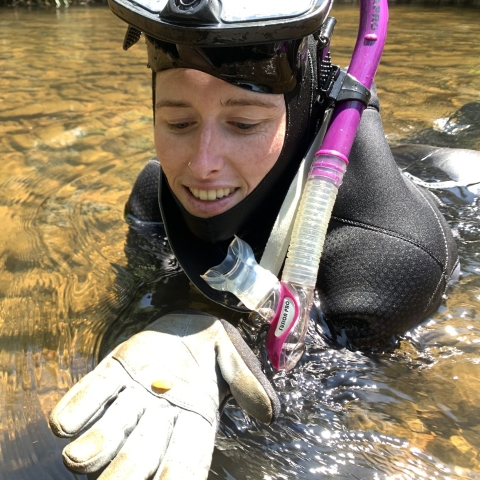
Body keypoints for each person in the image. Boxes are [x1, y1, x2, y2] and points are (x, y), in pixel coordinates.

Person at [48, 0, 467, 477]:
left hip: (453, 187)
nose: (201, 164)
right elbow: (136, 298)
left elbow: (318, 410)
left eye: (244, 124)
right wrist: (171, 328)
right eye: (178, 122)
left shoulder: (386, 261)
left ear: (301, 103)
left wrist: (227, 362)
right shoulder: (154, 197)